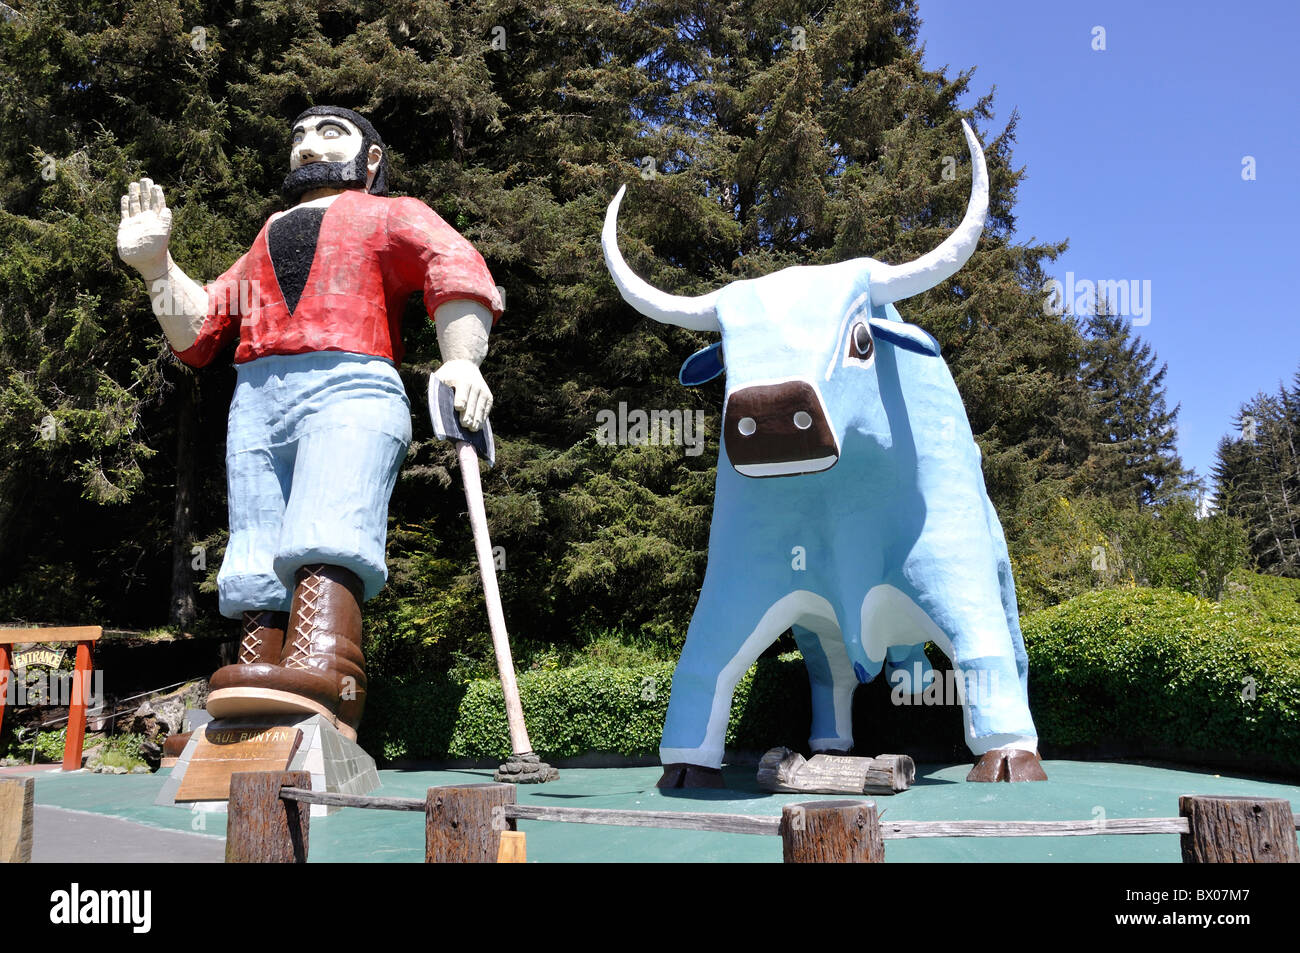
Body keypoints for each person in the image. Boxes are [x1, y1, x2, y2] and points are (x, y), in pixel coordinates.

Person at [116, 106, 503, 740]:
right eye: (298, 134)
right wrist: (157, 268)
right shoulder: (267, 235)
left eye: (329, 134)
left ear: (370, 159)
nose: (307, 146)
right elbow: (202, 328)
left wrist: (460, 361)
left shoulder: (390, 212)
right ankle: (255, 675)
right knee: (255, 542)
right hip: (257, 396)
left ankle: (326, 672)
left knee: (331, 519)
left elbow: (452, 265)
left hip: (351, 383)